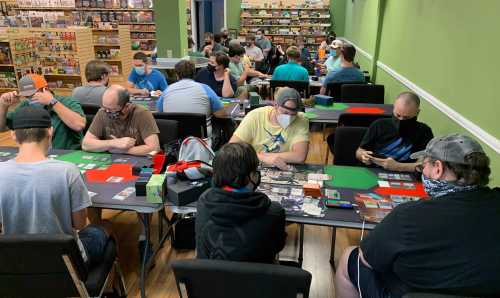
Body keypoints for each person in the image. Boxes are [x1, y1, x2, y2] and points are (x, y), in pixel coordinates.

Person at [335, 133, 500, 298]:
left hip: (412, 292)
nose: (422, 170)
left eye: (423, 165)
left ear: (437, 168)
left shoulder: (407, 216)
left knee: (350, 256)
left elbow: (366, 259)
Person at [0, 107, 114, 272]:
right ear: (50, 131)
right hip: (68, 264)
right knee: (104, 227)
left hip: (17, 264)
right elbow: (80, 224)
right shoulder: (68, 171)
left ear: (13, 135)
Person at [196, 142, 286, 263]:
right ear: (251, 176)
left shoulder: (204, 201)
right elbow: (278, 246)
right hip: (258, 279)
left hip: (212, 278)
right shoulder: (273, 211)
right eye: (255, 170)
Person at [230, 87, 309, 170]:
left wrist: (268, 157)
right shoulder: (255, 116)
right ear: (275, 105)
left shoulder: (301, 119)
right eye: (285, 112)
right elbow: (232, 149)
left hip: (283, 168)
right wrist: (263, 158)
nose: (289, 118)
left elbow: (300, 156)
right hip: (254, 166)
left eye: (293, 114)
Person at [0, 74, 86, 150]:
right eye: (27, 96)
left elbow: (79, 125)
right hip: (37, 155)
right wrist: (3, 106)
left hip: (67, 154)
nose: (30, 99)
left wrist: (52, 102)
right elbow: (2, 128)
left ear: (45, 89)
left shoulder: (67, 102)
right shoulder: (25, 105)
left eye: (33, 95)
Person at [354, 92, 434, 172]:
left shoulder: (424, 132)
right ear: (394, 108)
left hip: (405, 175)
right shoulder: (379, 124)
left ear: (417, 112)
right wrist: (363, 156)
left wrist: (398, 166)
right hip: (372, 171)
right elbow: (359, 151)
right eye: (398, 115)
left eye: (406, 118)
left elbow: (424, 166)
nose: (401, 120)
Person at [82, 85, 160, 156]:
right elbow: (86, 144)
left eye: (112, 110)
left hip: (138, 161)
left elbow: (154, 148)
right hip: (112, 160)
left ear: (126, 106)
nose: (106, 112)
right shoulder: (102, 112)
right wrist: (113, 143)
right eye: (104, 107)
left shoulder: (142, 114)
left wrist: (124, 150)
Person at [158, 60, 226, 139]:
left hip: (174, 139)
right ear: (194, 74)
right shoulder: (205, 89)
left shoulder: (167, 90)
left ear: (177, 75)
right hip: (201, 139)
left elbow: (160, 113)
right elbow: (221, 114)